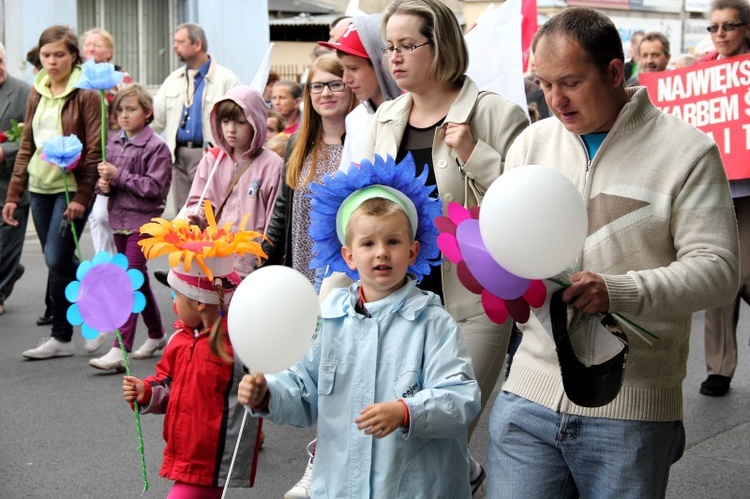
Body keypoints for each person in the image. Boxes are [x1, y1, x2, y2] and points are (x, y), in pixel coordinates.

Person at [487, 8, 739, 498]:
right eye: (543, 83)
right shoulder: (531, 143)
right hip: (526, 398)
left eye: (570, 82)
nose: (554, 99)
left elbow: (719, 271)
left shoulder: (688, 152)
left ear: (615, 72)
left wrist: (617, 291)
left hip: (631, 410)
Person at [238, 154, 480, 498]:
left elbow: (461, 397)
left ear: (413, 252)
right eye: (368, 243)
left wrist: (407, 411)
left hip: (415, 488)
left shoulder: (432, 322)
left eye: (393, 242)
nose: (381, 253)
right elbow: (302, 387)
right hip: (341, 486)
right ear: (349, 255)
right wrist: (268, 394)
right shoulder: (327, 318)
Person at [362, 1, 529, 493]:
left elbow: (523, 208)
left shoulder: (494, 112)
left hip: (472, 301)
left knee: (442, 429)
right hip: (402, 302)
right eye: (389, 47)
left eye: (407, 46)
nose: (393, 58)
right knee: (408, 437)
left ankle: (462, 472)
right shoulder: (387, 117)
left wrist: (473, 153)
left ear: (442, 48)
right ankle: (467, 475)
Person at [124, 219, 266, 497]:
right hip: (185, 450)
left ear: (200, 301)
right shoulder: (180, 337)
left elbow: (263, 386)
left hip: (213, 455)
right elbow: (167, 381)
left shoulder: (237, 341)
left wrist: (262, 389)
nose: (172, 303)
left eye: (176, 295)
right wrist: (145, 391)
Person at [3, 25, 102, 359]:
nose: (52, 61)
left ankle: (99, 307)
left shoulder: (86, 91)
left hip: (71, 187)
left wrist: (81, 197)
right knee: (57, 264)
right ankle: (61, 337)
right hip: (39, 185)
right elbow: (27, 143)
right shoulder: (38, 89)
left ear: (73, 55)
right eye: (46, 55)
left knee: (57, 257)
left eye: (59, 54)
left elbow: (94, 149)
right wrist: (14, 195)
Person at [87, 84, 172, 371]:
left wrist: (118, 176)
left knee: (126, 283)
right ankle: (157, 334)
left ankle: (118, 349)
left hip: (143, 222)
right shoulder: (112, 143)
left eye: (131, 109)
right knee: (137, 279)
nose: (124, 115)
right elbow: (113, 186)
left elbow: (156, 188)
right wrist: (105, 185)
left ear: (147, 113)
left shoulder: (156, 147)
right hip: (118, 220)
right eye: (120, 110)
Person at [262, 54, 357, 285]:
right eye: (317, 86)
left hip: (344, 272)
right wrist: (263, 256)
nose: (325, 93)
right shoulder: (298, 142)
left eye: (335, 85)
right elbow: (283, 208)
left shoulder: (361, 140)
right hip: (300, 268)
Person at [698, 0, 750, 396]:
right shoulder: (701, 74)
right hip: (715, 194)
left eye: (728, 26)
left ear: (745, 28)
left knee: (744, 274)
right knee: (719, 277)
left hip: (748, 196)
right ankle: (719, 368)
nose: (720, 34)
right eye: (713, 27)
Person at [183, 86, 284, 277]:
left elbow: (274, 219)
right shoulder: (212, 160)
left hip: (251, 264)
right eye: (225, 121)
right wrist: (195, 216)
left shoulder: (272, 165)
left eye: (240, 122)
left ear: (256, 123)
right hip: (213, 258)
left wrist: (264, 257)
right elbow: (197, 201)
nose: (231, 129)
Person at [152, 22, 240, 215]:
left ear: (197, 44)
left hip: (210, 155)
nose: (174, 46)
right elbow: (155, 121)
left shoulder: (226, 79)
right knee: (182, 215)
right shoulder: (172, 79)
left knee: (209, 212)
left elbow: (238, 118)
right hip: (178, 156)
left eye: (180, 41)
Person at [318, 14, 402, 171]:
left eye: (353, 69)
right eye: (343, 69)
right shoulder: (354, 119)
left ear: (380, 65)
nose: (345, 79)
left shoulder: (415, 117)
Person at [81, 27, 134, 262]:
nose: (91, 48)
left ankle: (111, 263)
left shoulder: (121, 78)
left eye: (97, 45)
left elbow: (131, 112)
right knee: (95, 216)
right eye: (88, 44)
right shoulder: (77, 78)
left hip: (112, 153)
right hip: (82, 153)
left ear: (110, 52)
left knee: (101, 214)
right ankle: (104, 263)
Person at [0, 42, 31, 316]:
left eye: (0, 60)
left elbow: (31, 137)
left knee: (6, 241)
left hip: (12, 181)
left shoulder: (22, 92)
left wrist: (5, 150)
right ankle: (11, 271)